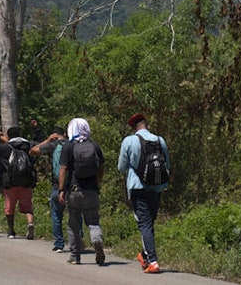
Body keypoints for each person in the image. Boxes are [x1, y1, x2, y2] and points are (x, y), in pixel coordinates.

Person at [118, 113, 171, 274]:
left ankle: (153, 261)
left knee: (144, 224)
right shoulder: (160, 140)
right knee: (149, 224)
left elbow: (121, 167)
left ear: (134, 127)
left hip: (137, 187)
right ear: (146, 124)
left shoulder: (129, 141)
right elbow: (166, 164)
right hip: (156, 187)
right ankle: (144, 256)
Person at [58, 117, 105, 265]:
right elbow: (101, 168)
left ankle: (75, 256)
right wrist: (97, 184)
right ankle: (96, 240)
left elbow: (63, 169)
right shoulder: (94, 146)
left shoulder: (68, 146)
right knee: (93, 222)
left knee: (73, 223)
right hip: (91, 190)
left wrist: (61, 189)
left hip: (74, 191)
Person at [0, 126, 37, 240]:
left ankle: (11, 231)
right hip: (26, 181)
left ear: (8, 136)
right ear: (20, 133)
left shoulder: (4, 148)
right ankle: (30, 224)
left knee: (10, 207)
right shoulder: (29, 146)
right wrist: (36, 129)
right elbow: (39, 144)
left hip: (9, 182)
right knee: (27, 207)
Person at [31, 126, 68, 253]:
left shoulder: (52, 145)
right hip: (73, 185)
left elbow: (33, 151)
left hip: (57, 186)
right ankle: (78, 241)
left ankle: (59, 244)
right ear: (64, 133)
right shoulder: (72, 144)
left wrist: (47, 140)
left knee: (56, 215)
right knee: (75, 215)